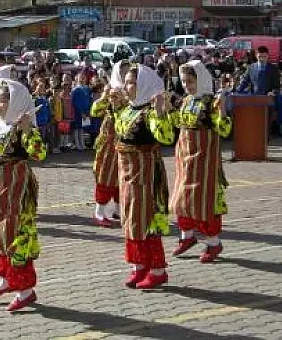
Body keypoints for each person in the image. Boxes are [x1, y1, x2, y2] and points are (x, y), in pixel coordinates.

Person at [0, 78, 47, 312]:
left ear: (14, 102)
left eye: (3, 101)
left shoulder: (21, 126)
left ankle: (25, 290)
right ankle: (6, 280)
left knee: (17, 236)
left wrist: (28, 130)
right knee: (1, 234)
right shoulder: (0, 124)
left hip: (17, 190)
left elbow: (39, 154)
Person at [113, 64, 174, 289]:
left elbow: (166, 138)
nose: (128, 87)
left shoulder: (149, 112)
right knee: (130, 219)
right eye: (127, 82)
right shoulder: (126, 110)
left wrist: (160, 113)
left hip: (145, 174)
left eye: (134, 83)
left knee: (145, 219)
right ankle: (138, 266)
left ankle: (157, 270)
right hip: (127, 173)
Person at [170, 61, 232, 263]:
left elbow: (224, 130)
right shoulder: (186, 100)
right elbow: (176, 124)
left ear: (201, 79)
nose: (187, 85)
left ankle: (214, 243)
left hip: (204, 160)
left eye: (191, 81)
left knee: (205, 201)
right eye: (184, 81)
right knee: (182, 199)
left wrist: (222, 109)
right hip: (185, 158)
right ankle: (186, 237)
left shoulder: (209, 102)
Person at [90, 60, 129, 227]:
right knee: (106, 173)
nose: (126, 75)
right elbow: (95, 111)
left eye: (129, 71)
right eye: (123, 71)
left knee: (123, 175)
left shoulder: (133, 90)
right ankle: (99, 212)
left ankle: (119, 210)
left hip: (127, 139)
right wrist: (105, 97)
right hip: (109, 140)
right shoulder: (111, 91)